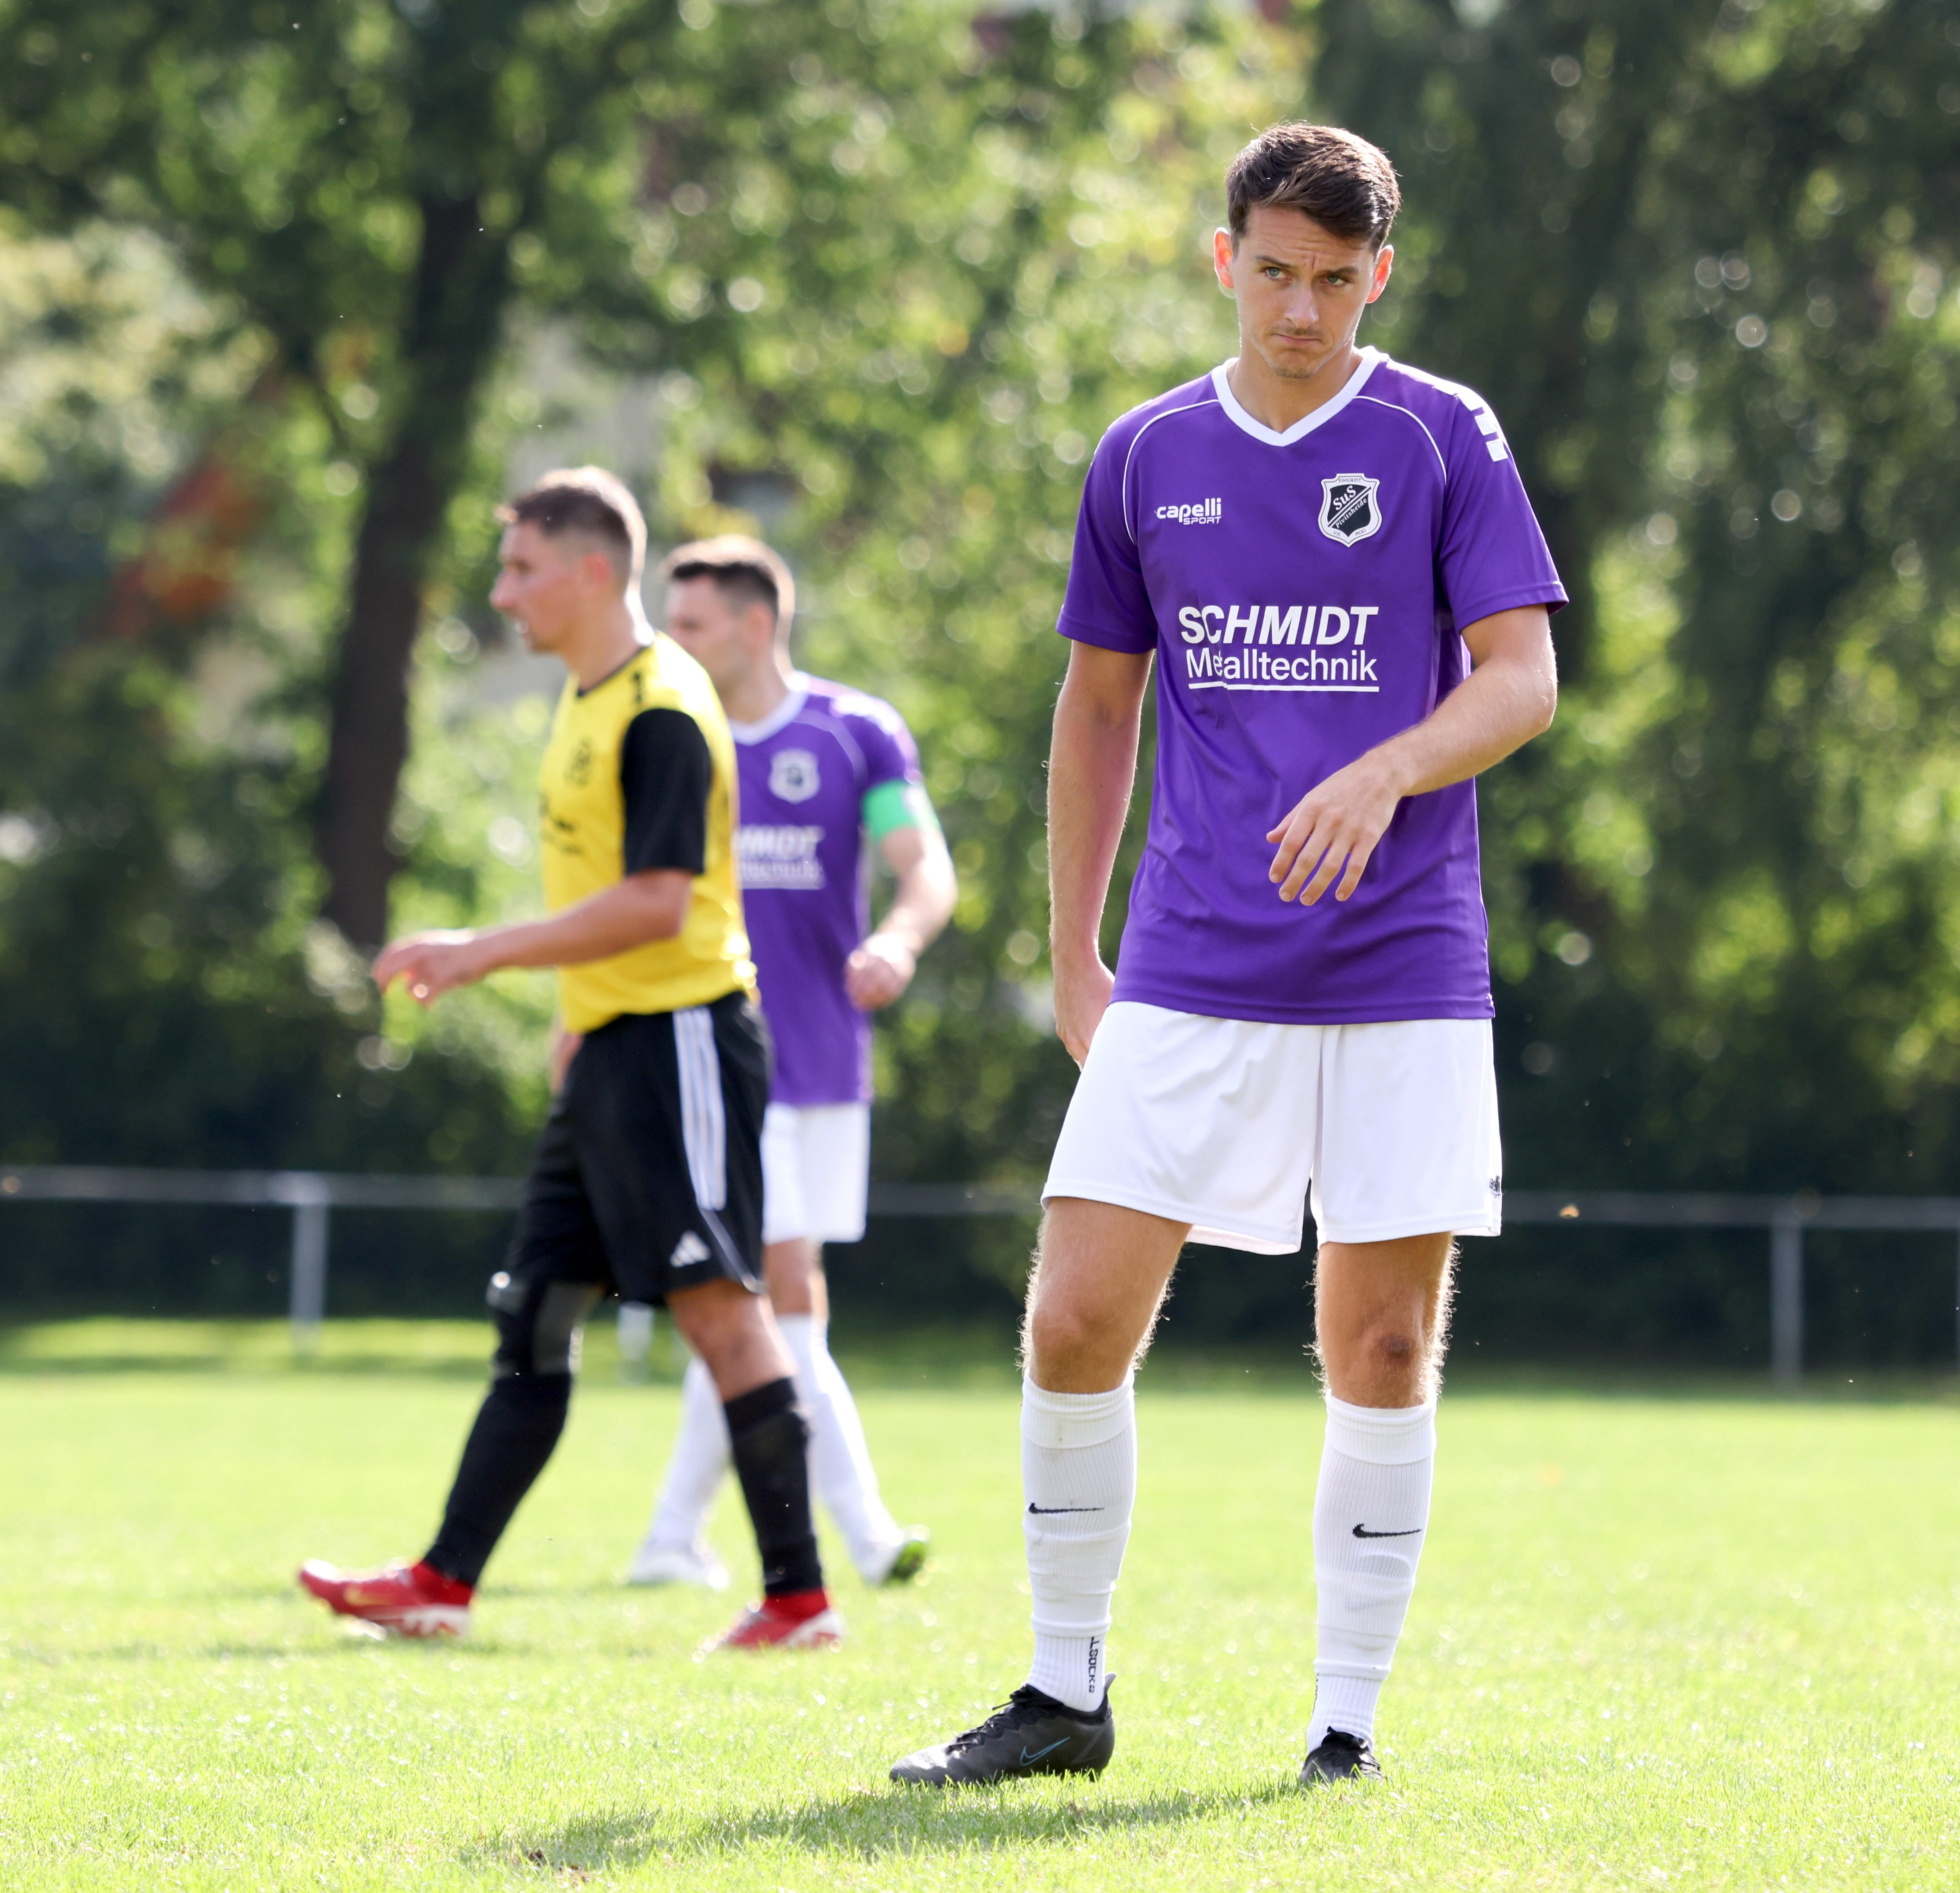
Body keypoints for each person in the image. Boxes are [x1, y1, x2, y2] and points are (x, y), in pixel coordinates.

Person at [889, 124, 1565, 1788]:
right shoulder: (1142, 455)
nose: (1301, 310)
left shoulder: (1440, 435)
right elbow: (1096, 708)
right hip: (1189, 964)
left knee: (1381, 1351)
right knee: (1071, 1319)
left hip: (1401, 964)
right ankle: (1061, 1693)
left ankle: (1343, 1727)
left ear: (1377, 276)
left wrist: (1383, 769)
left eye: (1335, 279)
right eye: (1273, 272)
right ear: (1223, 261)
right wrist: (1072, 951)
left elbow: (1521, 676)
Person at [297, 468, 839, 1653]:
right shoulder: (584, 697)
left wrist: (483, 953)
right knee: (536, 1311)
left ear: (593, 573)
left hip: (683, 1040)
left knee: (722, 1314)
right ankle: (441, 1581)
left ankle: (799, 1599)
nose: (503, 593)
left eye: (522, 569)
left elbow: (657, 902)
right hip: (610, 1046)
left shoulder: (662, 705)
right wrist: (575, 1017)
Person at [626, 534, 956, 1591]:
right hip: (717, 1059)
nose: (669, 640)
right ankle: (866, 1532)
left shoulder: (855, 733)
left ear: (755, 624)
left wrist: (898, 940)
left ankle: (669, 1538)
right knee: (781, 1291)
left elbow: (923, 865)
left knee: (758, 1307)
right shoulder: (671, 737)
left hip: (828, 1062)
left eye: (689, 623)